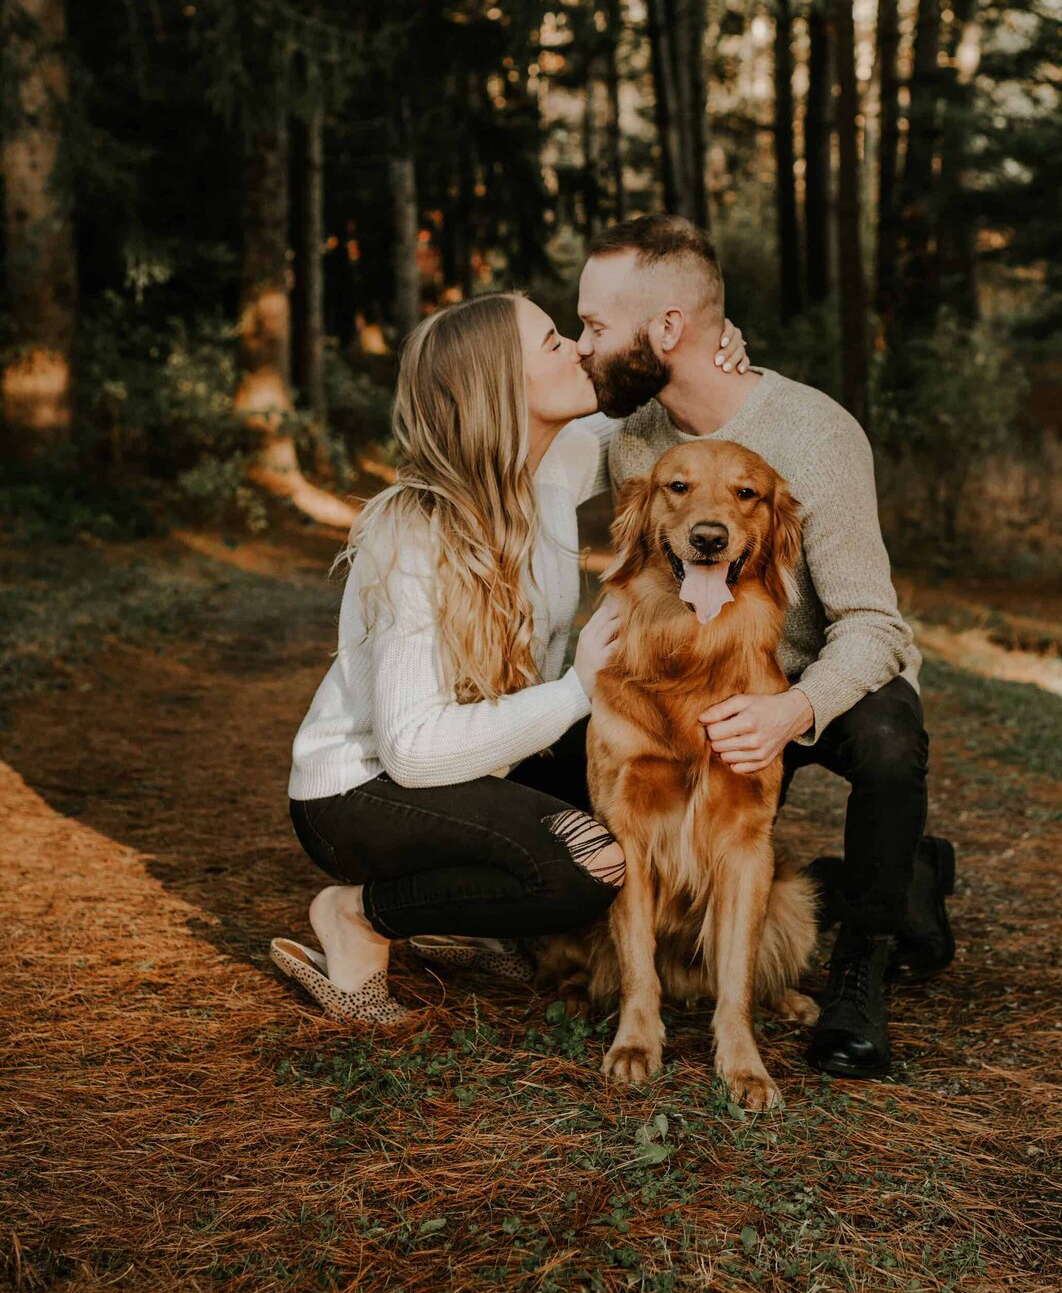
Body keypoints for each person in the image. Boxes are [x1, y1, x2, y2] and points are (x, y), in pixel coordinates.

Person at [273, 291, 748, 1021]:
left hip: (483, 762)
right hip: (360, 793)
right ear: (502, 385)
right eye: (554, 342)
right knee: (592, 862)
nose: (579, 349)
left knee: (625, 791)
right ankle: (358, 914)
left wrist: (711, 353)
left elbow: (662, 411)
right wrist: (577, 688)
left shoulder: (555, 467)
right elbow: (412, 752)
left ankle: (452, 903)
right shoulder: (412, 533)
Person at [567, 214, 956, 1080]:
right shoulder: (636, 432)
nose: (582, 344)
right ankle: (621, 960)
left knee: (892, 742)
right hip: (676, 680)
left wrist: (794, 708)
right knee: (561, 756)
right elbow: (522, 434)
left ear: (667, 328)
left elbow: (875, 624)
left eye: (594, 325)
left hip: (811, 677)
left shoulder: (816, 434)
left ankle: (862, 968)